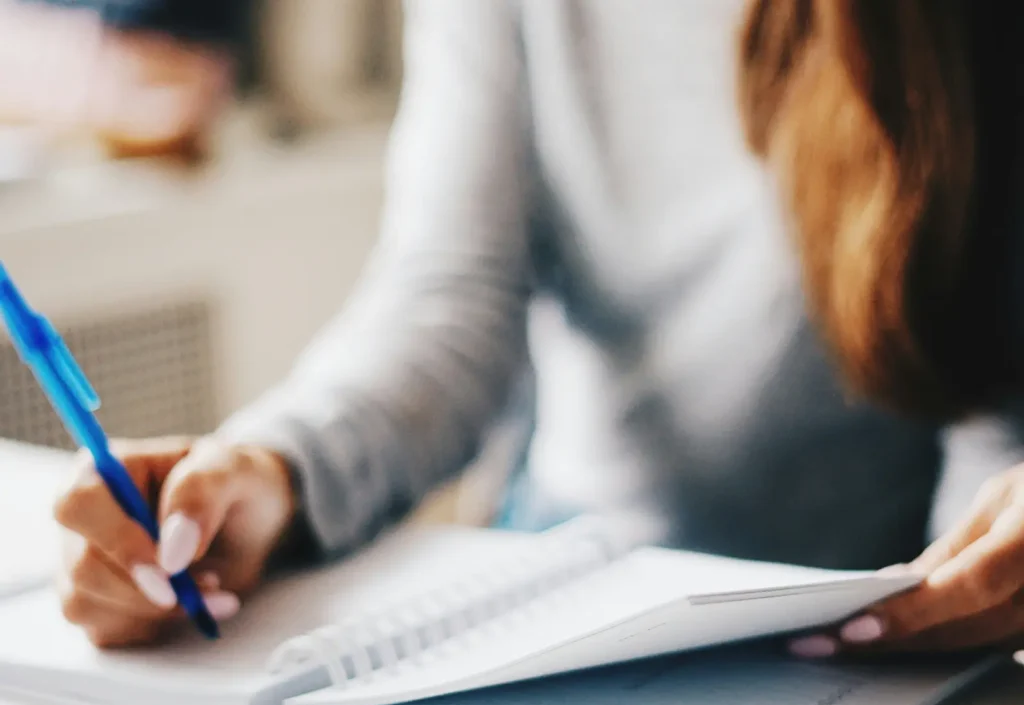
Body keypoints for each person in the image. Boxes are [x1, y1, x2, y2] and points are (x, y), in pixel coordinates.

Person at [52, 0, 1024, 658]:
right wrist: (271, 471)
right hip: (558, 613)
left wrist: (971, 588)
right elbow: (449, 299)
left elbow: (993, 379)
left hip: (883, 640)